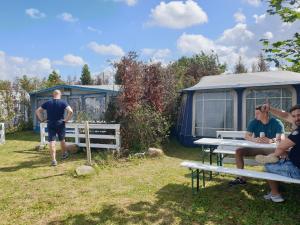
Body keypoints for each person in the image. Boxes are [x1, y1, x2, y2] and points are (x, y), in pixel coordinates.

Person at [229, 105, 285, 186]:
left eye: (257, 114)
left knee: (274, 157)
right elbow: (247, 136)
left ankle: (275, 179)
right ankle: (241, 178)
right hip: (258, 148)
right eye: (255, 114)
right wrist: (255, 139)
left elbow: (282, 137)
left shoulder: (276, 122)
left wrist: (271, 140)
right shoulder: (254, 122)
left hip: (272, 150)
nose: (255, 116)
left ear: (265, 113)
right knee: (238, 151)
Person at [255, 104, 300, 202]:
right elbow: (285, 115)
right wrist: (270, 108)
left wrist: (273, 156)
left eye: (299, 115)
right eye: (294, 116)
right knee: (280, 159)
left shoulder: (298, 131)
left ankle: (275, 194)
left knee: (268, 165)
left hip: (297, 170)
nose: (296, 118)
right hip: (294, 162)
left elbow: (281, 147)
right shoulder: (297, 123)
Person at [36, 90, 73, 166]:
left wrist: (42, 120)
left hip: (50, 123)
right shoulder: (63, 102)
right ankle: (64, 154)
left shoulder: (48, 103)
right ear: (60, 94)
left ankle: (54, 160)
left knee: (52, 142)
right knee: (62, 139)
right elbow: (71, 111)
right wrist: (66, 120)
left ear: (53, 95)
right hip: (60, 123)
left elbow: (37, 111)